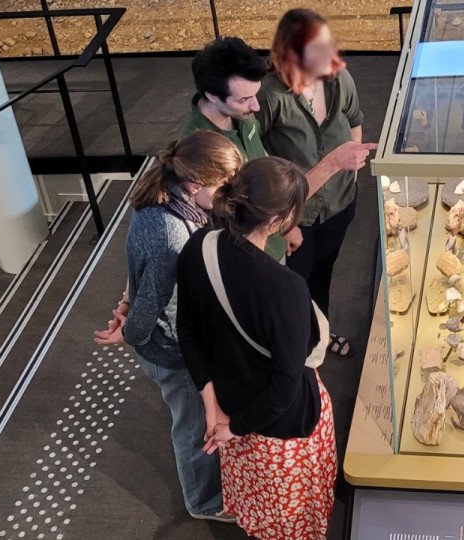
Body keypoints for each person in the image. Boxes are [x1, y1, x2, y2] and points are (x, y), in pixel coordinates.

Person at [176, 157, 337, 540]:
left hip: (229, 410)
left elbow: (187, 330)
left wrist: (214, 411)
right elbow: (285, 387)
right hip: (279, 428)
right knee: (294, 518)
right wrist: (233, 429)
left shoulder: (199, 246)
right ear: (276, 221)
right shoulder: (285, 288)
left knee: (259, 509)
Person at [93, 130, 243, 522]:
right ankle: (204, 502)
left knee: (190, 416)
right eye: (223, 185)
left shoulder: (157, 196)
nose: (231, 193)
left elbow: (135, 272)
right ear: (195, 185)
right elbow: (150, 304)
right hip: (174, 351)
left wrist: (123, 304)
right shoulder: (172, 237)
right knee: (194, 430)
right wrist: (126, 334)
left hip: (170, 338)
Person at [185, 36, 376, 263]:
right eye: (245, 98)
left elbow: (264, 164)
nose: (255, 106)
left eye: (255, 94)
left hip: (275, 239)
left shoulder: (240, 113)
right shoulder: (199, 150)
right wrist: (333, 164)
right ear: (213, 96)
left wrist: (285, 224)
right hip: (250, 259)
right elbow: (248, 209)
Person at [257, 9, 368, 357]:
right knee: (294, 285)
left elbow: (354, 120)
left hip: (338, 204)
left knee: (324, 272)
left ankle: (319, 333)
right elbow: (254, 159)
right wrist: (284, 218)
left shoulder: (339, 80)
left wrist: (352, 172)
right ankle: (297, 349)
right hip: (295, 219)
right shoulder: (268, 96)